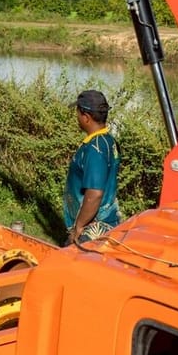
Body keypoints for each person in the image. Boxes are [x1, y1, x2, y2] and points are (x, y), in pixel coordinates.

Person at [62, 88, 121, 244]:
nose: (77, 117)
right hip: (101, 221)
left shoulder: (96, 148)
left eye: (78, 113)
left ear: (86, 117)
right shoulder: (107, 140)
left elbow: (94, 194)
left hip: (92, 227)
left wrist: (79, 227)